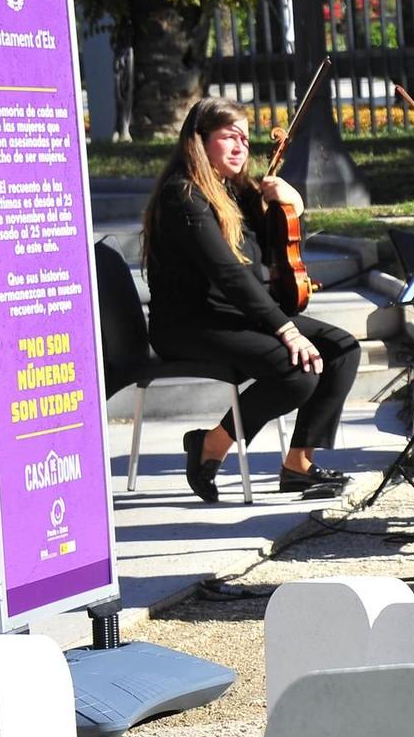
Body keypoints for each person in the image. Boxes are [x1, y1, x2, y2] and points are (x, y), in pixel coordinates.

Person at [143, 97, 361, 503]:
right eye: (229, 137)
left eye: (244, 138)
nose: (241, 147)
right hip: (190, 324)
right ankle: (211, 446)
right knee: (297, 372)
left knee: (343, 349)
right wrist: (286, 329)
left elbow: (278, 247)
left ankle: (299, 464)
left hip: (229, 315)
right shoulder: (184, 197)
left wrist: (291, 204)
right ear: (199, 141)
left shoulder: (233, 190)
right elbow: (230, 275)